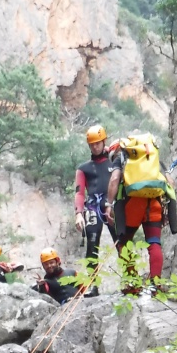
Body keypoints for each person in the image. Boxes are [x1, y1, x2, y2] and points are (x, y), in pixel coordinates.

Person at [106, 137, 174, 292]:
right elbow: (170, 182)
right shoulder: (151, 157)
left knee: (124, 242)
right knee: (154, 242)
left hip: (133, 203)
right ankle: (155, 284)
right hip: (154, 201)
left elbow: (114, 179)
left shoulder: (121, 157)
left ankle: (132, 283)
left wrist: (109, 204)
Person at [74, 124, 118, 289]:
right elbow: (79, 192)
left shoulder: (115, 160)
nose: (95, 146)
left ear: (104, 141)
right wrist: (78, 213)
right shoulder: (83, 168)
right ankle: (93, 285)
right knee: (92, 246)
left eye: (98, 143)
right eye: (92, 144)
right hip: (92, 207)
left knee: (121, 241)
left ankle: (130, 279)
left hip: (111, 205)